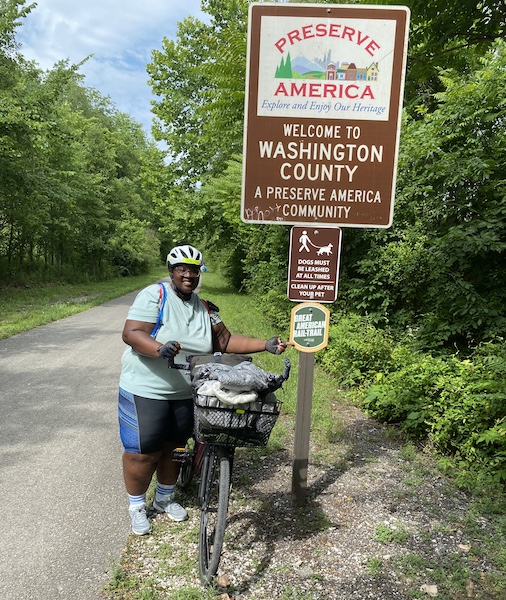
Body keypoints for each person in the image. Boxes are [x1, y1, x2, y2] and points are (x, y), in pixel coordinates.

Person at [118, 244, 290, 535]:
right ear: (172, 272)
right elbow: (132, 333)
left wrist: (266, 344)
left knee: (175, 446)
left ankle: (164, 498)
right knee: (144, 450)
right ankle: (136, 506)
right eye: (181, 269)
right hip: (146, 387)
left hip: (188, 389)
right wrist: (160, 348)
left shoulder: (206, 308)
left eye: (194, 271)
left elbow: (224, 341)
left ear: (199, 274)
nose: (188, 275)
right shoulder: (156, 296)